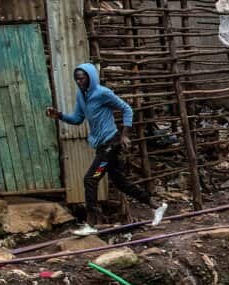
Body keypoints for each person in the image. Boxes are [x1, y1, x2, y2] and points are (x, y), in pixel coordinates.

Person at [46, 63, 167, 236]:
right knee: (120, 182)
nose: (79, 81)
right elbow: (78, 119)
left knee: (90, 179)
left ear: (91, 77)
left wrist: (125, 135)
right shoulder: (82, 95)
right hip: (102, 145)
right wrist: (59, 116)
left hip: (111, 143)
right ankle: (157, 206)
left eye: (82, 78)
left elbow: (127, 109)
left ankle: (91, 222)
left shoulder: (102, 93)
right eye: (76, 78)